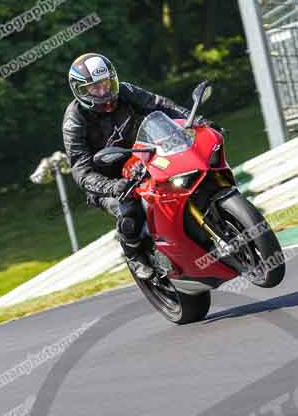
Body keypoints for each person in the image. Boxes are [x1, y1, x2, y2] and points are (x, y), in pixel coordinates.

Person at [62, 53, 213, 279]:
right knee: (130, 211)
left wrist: (196, 122)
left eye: (106, 83)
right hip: (106, 180)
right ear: (81, 91)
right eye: (95, 88)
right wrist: (113, 187)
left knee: (186, 174)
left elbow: (160, 105)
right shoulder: (75, 120)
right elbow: (81, 172)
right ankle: (134, 254)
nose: (104, 91)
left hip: (141, 156)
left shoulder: (125, 91)